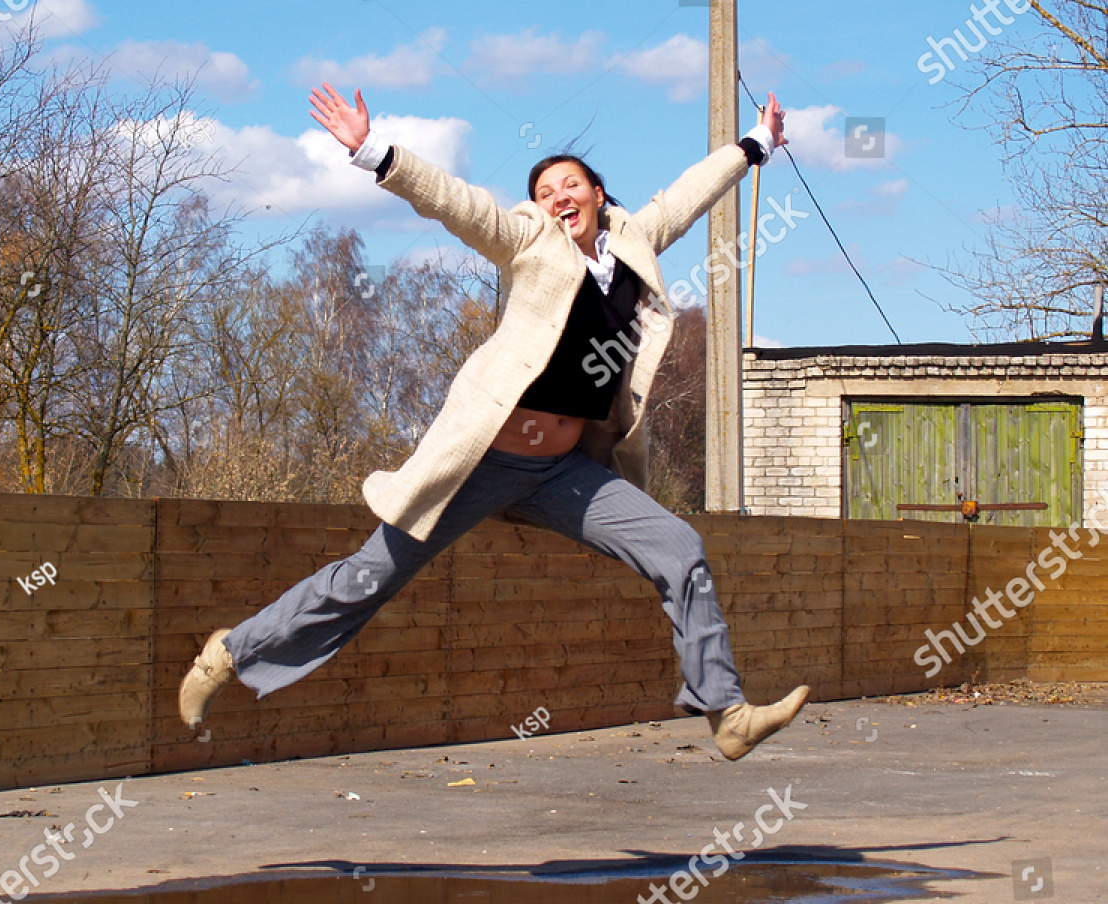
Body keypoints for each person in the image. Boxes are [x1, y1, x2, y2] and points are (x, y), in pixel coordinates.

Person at [179, 83, 808, 761]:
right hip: (482, 463)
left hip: (564, 473)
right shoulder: (530, 240)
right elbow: (458, 202)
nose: (557, 196)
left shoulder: (634, 242)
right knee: (369, 577)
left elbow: (689, 193)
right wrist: (373, 151)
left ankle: (725, 711)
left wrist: (758, 144)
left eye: (571, 185)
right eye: (544, 190)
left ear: (598, 194)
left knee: (679, 548)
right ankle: (228, 653)